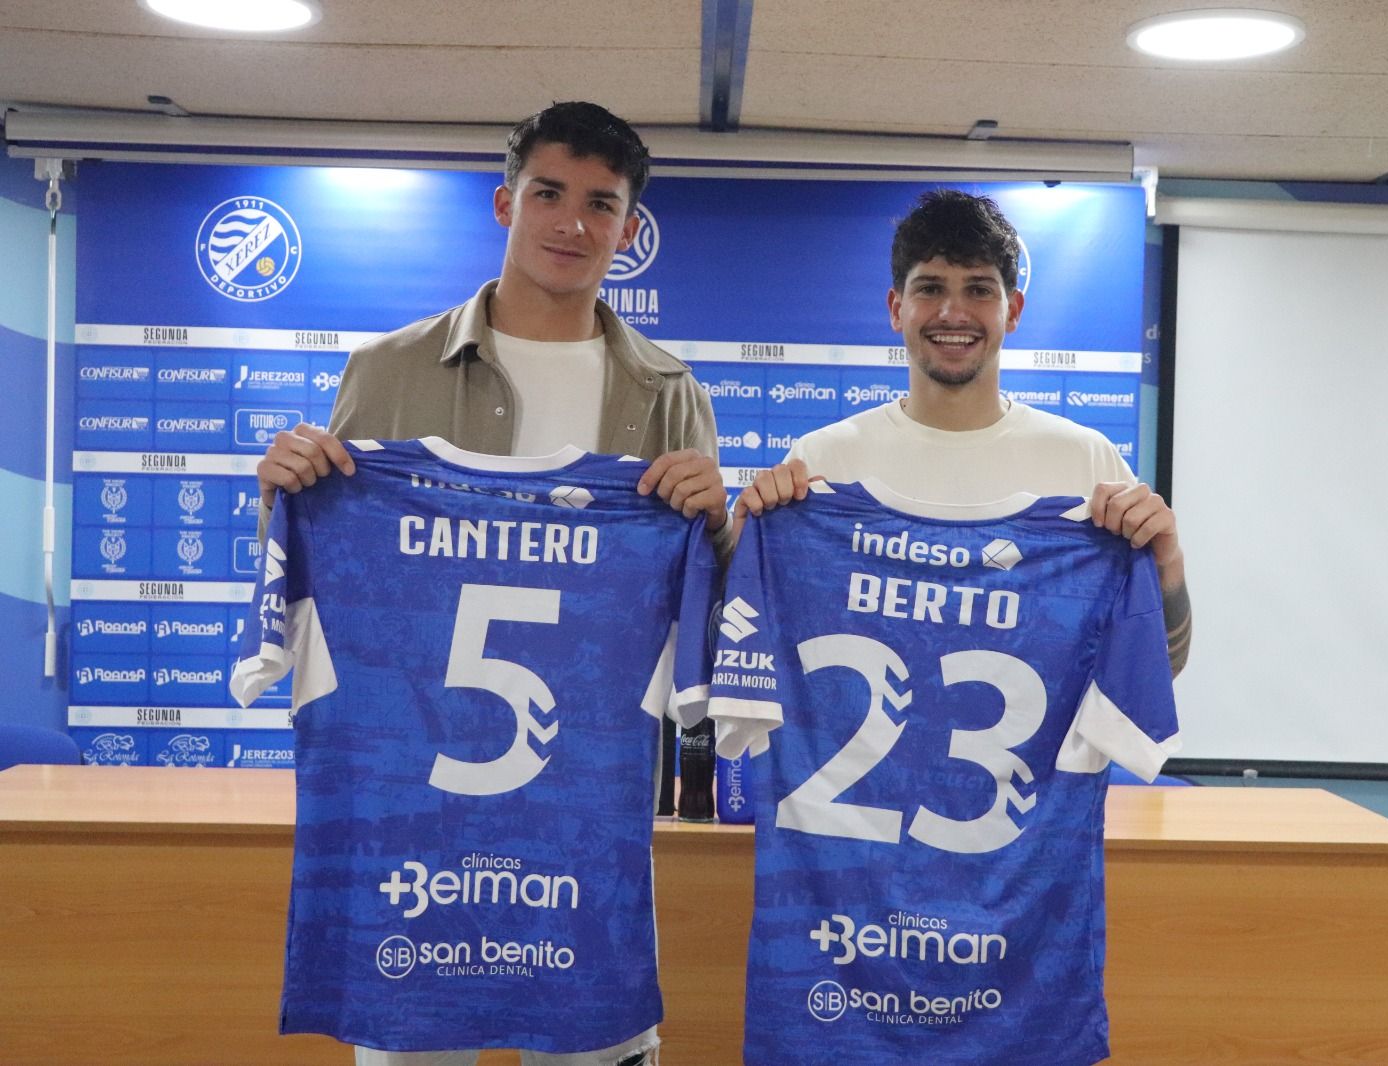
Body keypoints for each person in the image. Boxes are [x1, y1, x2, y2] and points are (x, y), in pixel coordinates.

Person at [253, 101, 728, 1066]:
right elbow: (339, 575)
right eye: (549, 194)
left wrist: (719, 521)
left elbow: (709, 613)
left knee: (594, 1041)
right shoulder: (384, 369)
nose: (572, 224)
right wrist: (283, 494)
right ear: (505, 202)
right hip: (415, 798)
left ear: (629, 231)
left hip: (586, 808)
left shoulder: (669, 391)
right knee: (414, 1046)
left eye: (602, 204)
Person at [735, 188, 1191, 674]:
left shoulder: (1085, 460)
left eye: (978, 289)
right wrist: (743, 547)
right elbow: (759, 652)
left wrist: (1167, 566)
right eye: (930, 288)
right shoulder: (821, 461)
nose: (953, 313)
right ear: (896, 308)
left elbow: (1159, 668)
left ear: (1012, 311)